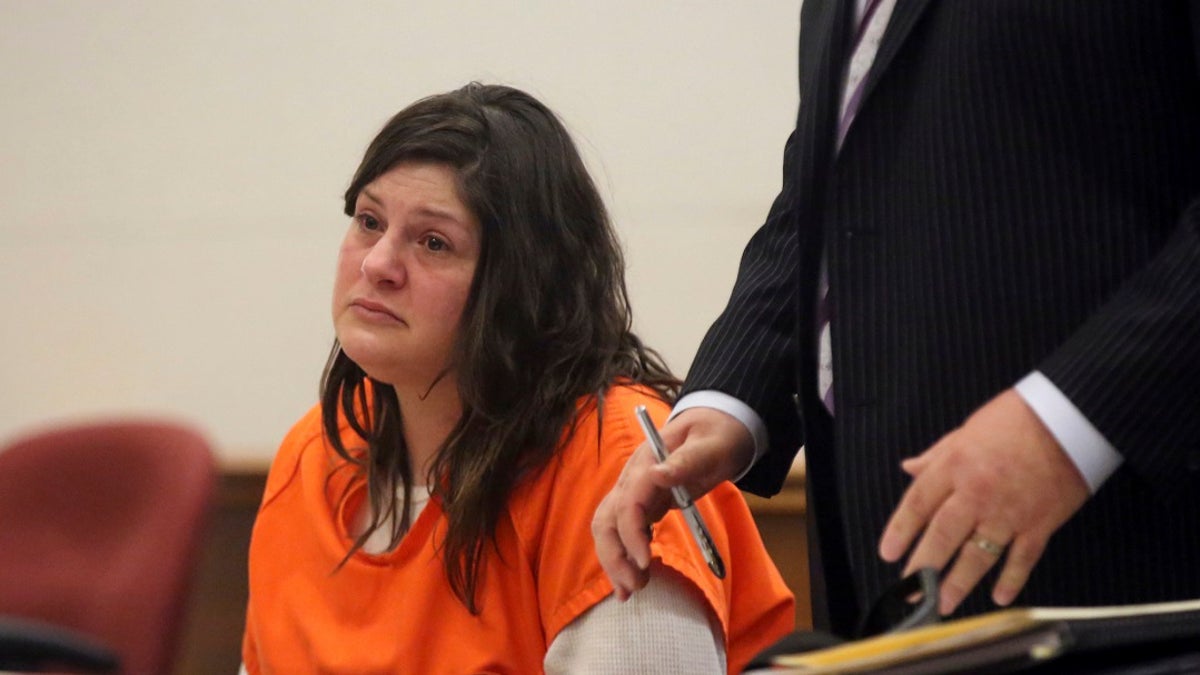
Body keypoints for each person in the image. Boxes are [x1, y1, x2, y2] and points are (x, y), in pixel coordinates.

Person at [593, 0, 1200, 639]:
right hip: (872, 580)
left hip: (1122, 564)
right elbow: (824, 193)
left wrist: (1073, 417)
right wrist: (728, 401)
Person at [239, 83, 793, 674]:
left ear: (524, 285)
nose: (377, 264)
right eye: (369, 222)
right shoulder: (311, 454)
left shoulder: (619, 465)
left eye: (433, 242)